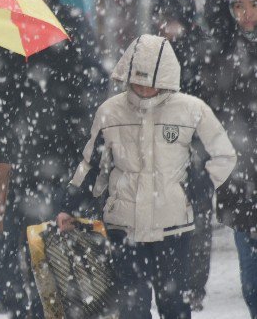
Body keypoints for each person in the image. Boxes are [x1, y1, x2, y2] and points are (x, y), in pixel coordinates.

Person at [0, 0, 108, 318]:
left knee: (58, 265)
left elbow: (90, 93)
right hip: (5, 168)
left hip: (57, 167)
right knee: (9, 261)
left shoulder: (66, 27)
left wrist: (83, 159)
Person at [56, 34, 236, 319]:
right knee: (131, 307)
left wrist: (197, 188)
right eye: (137, 79)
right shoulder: (110, 112)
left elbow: (224, 154)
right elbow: (92, 166)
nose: (143, 87)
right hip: (124, 226)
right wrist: (70, 205)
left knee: (174, 305)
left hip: (173, 225)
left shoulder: (191, 110)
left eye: (151, 81)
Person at [152, 0, 214, 311]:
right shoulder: (154, 54)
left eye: (171, 21)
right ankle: (176, 284)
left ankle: (191, 286)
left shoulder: (202, 53)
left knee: (197, 222)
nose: (165, 27)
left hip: (195, 154)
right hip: (164, 156)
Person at [203, 0, 257, 318]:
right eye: (238, 6)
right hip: (243, 183)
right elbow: (209, 117)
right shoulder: (219, 56)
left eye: (252, 3)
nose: (246, 13)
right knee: (252, 283)